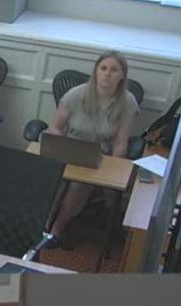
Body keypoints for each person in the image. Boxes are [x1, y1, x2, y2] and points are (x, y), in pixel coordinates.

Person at [46, 51, 139, 246]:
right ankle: (42, 226)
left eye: (114, 70)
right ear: (96, 71)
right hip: (70, 147)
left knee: (80, 185)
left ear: (122, 76)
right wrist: (58, 145)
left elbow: (121, 143)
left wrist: (114, 171)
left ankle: (56, 230)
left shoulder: (127, 102)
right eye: (103, 68)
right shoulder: (76, 95)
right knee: (54, 178)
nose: (107, 74)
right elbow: (55, 127)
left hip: (99, 156)